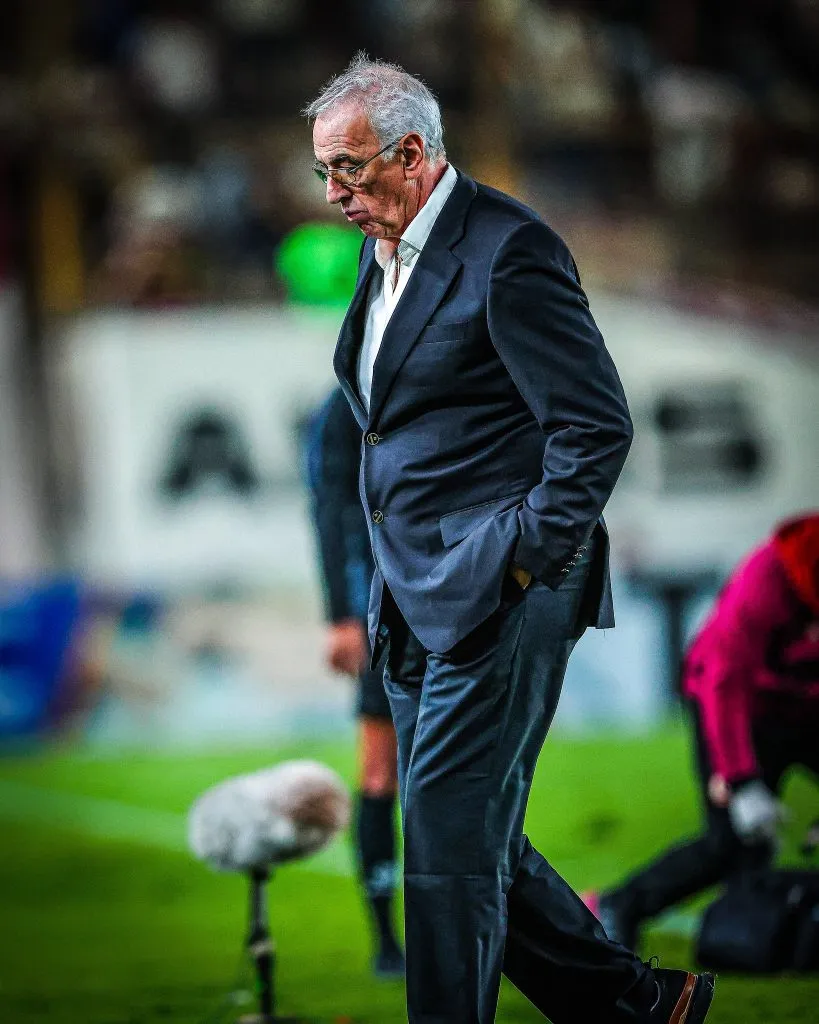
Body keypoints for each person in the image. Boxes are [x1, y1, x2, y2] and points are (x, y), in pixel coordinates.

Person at [304, 53, 715, 1024]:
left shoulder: (509, 250)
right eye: (323, 170)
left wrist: (523, 557)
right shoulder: (382, 247)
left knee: (448, 848)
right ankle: (643, 1007)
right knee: (461, 832)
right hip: (411, 593)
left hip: (496, 584)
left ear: (412, 154)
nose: (332, 194)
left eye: (348, 168)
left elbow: (595, 425)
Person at [586, 513, 819, 951]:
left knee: (750, 859)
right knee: (732, 841)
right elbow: (722, 681)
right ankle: (620, 905)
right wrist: (739, 780)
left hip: (804, 710)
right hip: (740, 711)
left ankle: (756, 930)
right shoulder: (767, 579)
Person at [304, 386, 405, 978]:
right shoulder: (346, 403)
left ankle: (468, 930)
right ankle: (386, 940)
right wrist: (341, 615)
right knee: (379, 773)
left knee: (461, 779)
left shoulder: (442, 377)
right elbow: (329, 506)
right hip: (382, 609)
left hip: (452, 597)